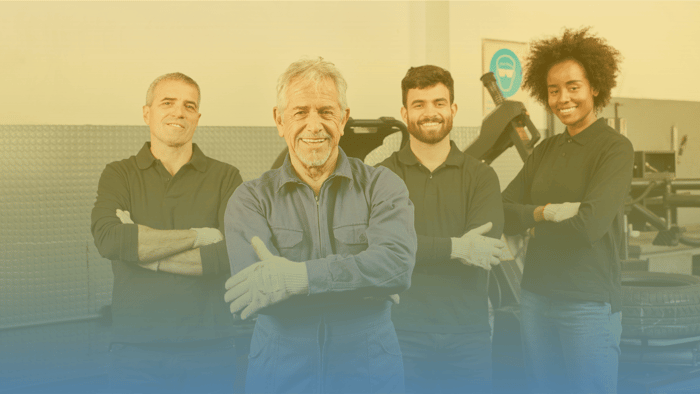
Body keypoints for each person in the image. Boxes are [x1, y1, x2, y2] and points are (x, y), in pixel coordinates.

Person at [223, 57, 417, 394]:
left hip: (368, 371)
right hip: (280, 373)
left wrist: (297, 278)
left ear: (343, 119)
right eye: (300, 112)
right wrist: (368, 283)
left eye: (326, 112)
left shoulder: (382, 185)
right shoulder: (250, 198)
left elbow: (397, 267)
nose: (314, 125)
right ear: (279, 119)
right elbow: (258, 293)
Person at [501, 27, 633, 394]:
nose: (563, 98)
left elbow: (588, 227)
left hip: (587, 302)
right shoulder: (542, 151)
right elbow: (502, 209)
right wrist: (544, 213)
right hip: (536, 295)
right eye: (554, 90)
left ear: (594, 87)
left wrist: (526, 225)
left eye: (573, 86)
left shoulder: (615, 149)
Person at [91, 72, 241, 393]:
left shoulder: (226, 177)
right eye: (167, 103)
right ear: (147, 113)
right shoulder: (119, 173)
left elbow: (231, 254)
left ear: (197, 118)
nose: (179, 112)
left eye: (189, 106)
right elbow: (111, 240)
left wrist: (144, 254)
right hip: (135, 350)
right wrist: (201, 236)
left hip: (211, 347)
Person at [379, 65, 508, 394]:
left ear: (452, 109)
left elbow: (485, 251)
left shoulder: (480, 177)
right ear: (404, 112)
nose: (430, 112)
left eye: (439, 102)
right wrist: (457, 248)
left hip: (468, 336)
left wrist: (413, 248)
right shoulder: (382, 177)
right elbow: (384, 249)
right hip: (398, 332)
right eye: (419, 104)